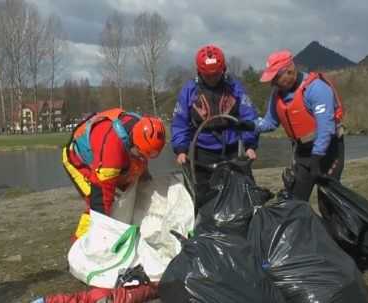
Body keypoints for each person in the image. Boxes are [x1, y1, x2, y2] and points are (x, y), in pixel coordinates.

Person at [236, 49, 344, 202]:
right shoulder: (277, 95)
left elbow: (325, 128)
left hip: (328, 151)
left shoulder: (317, 89)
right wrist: (248, 125)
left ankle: (335, 225)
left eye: (275, 78)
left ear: (289, 71)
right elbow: (270, 122)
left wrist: (316, 158)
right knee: (295, 201)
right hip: (302, 152)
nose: (272, 83)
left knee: (329, 202)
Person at [170, 44, 259, 209]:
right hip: (202, 150)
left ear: (223, 70)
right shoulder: (189, 91)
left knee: (243, 191)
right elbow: (180, 122)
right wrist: (181, 149)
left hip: (232, 148)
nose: (212, 79)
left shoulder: (235, 88)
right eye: (207, 75)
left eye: (216, 75)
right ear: (199, 72)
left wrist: (250, 145)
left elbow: (249, 116)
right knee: (203, 195)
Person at [62, 108, 165, 240]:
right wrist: (102, 230)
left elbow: (141, 170)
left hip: (112, 153)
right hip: (78, 160)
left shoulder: (140, 127)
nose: (143, 158)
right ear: (135, 144)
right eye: (141, 154)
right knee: (94, 205)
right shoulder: (113, 150)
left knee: (135, 186)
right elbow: (101, 196)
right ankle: (81, 244)